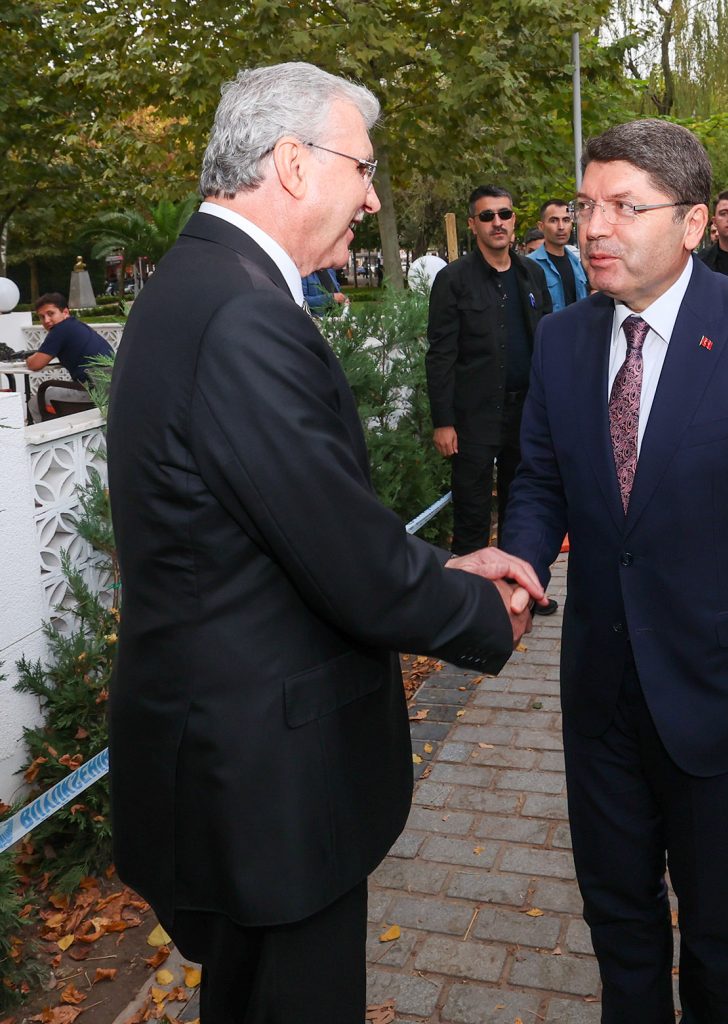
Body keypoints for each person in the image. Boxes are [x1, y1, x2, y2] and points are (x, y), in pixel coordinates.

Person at [106, 63, 546, 1024]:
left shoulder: (201, 283)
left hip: (227, 763)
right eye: (364, 168)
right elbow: (346, 566)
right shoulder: (243, 314)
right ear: (295, 164)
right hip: (266, 783)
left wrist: (444, 560)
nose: (374, 198)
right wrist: (483, 611)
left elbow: (294, 520)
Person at [501, 118, 728, 1023]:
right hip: (600, 692)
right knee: (618, 916)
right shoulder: (562, 339)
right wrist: (518, 563)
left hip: (727, 696)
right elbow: (541, 478)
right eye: (586, 204)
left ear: (693, 223)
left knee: (722, 929)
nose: (594, 227)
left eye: (624, 207)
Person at [425, 186, 554, 590]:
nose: (497, 222)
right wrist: (443, 421)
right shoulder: (453, 280)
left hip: (525, 414)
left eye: (504, 214)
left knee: (524, 509)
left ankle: (522, 591)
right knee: (472, 513)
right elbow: (440, 355)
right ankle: (472, 602)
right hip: (473, 418)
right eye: (487, 216)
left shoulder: (531, 274)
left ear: (514, 219)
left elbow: (546, 343)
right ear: (472, 224)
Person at [25, 293, 113, 422]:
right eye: (42, 317)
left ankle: (47, 434)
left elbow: (35, 364)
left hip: (93, 391)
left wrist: (28, 359)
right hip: (112, 389)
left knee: (35, 401)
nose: (46, 320)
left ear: (65, 312)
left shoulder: (60, 330)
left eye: (51, 314)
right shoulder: (77, 326)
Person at [527, 198, 589, 309]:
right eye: (553, 220)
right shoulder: (530, 265)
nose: (561, 227)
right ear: (541, 226)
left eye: (566, 220)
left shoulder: (576, 262)